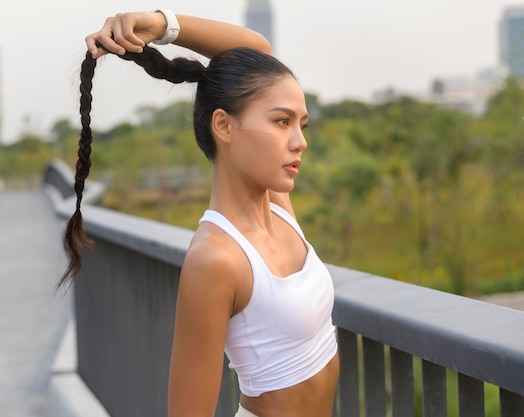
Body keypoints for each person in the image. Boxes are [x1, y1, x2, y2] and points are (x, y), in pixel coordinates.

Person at [61, 10, 339, 417]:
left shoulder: (277, 209)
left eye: (302, 125)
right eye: (282, 122)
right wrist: (162, 26)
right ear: (224, 126)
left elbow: (256, 55)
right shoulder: (216, 259)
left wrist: (163, 24)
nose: (300, 142)